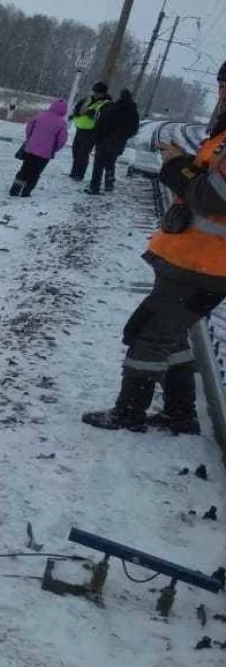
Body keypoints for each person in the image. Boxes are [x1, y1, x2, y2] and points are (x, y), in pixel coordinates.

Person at [83, 61, 226, 433]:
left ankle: (129, 412)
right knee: (172, 334)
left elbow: (213, 199)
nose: (221, 93)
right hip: (196, 262)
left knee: (148, 334)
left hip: (203, 265)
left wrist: (176, 164)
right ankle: (180, 414)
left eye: (224, 86)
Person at [10, 98, 68, 197]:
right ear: (64, 110)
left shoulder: (40, 115)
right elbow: (62, 140)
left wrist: (30, 139)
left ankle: (14, 190)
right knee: (35, 173)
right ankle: (26, 192)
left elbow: (29, 128)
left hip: (31, 149)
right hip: (45, 153)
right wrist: (54, 148)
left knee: (24, 170)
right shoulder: (62, 123)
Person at [86, 88, 140, 194]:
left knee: (99, 165)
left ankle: (94, 187)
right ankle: (109, 183)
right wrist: (123, 137)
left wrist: (97, 138)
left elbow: (102, 123)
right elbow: (134, 129)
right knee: (111, 162)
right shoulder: (134, 113)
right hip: (119, 143)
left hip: (105, 141)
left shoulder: (112, 108)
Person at [68, 81, 111, 181]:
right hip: (80, 128)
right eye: (94, 91)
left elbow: (103, 117)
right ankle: (74, 172)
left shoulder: (106, 104)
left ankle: (79, 174)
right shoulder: (87, 99)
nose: (95, 94)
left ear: (103, 93)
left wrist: (89, 113)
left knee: (83, 153)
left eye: (98, 92)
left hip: (91, 131)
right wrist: (75, 114)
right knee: (76, 151)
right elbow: (78, 108)